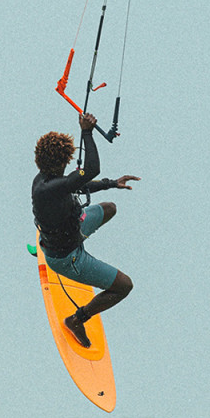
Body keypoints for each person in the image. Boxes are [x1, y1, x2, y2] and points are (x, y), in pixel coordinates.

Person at [32, 112, 140, 348]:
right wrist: (87, 132)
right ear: (61, 163)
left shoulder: (45, 178)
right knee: (124, 286)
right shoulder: (48, 189)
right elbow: (91, 170)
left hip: (73, 229)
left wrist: (112, 183)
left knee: (109, 208)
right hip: (67, 258)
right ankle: (77, 320)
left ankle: (72, 239)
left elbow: (78, 184)